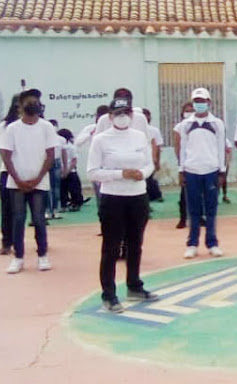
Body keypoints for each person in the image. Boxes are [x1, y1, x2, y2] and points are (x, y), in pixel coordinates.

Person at [87, 97, 158, 313]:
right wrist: (121, 174)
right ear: (109, 117)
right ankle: (109, 294)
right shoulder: (101, 140)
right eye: (117, 113)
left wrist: (142, 174)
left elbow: (149, 164)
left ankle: (134, 286)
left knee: (135, 244)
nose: (122, 117)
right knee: (111, 247)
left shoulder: (139, 137)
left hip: (137, 197)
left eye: (126, 112)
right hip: (113, 198)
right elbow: (92, 172)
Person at [0, 88, 57, 274]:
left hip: (39, 182)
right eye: (29, 103)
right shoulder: (12, 128)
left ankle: (42, 256)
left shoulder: (46, 127)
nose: (33, 106)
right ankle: (18, 258)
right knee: (18, 219)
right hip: (16, 183)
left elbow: (50, 155)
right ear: (21, 106)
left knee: (39, 219)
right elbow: (6, 156)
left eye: (36, 103)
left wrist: (38, 178)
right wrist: (17, 179)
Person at [178, 88, 226, 259]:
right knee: (194, 210)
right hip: (191, 171)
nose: (199, 104)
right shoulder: (186, 124)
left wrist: (222, 171)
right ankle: (192, 244)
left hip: (211, 170)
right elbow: (183, 148)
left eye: (202, 101)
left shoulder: (217, 124)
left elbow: (221, 148)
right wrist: (181, 170)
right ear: (192, 103)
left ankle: (212, 243)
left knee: (211, 209)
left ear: (209, 102)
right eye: (196, 101)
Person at [0, 94, 20, 255]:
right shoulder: (5, 126)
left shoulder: (38, 124)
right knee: (7, 209)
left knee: (32, 210)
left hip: (30, 172)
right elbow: (1, 149)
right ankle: (7, 242)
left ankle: (39, 243)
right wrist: (11, 167)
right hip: (8, 172)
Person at [75, 105, 109, 210]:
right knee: (99, 191)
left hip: (110, 163)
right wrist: (90, 134)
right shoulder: (91, 128)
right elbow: (78, 142)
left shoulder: (112, 128)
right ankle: (102, 211)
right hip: (96, 164)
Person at [57, 129, 86, 211]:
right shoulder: (60, 147)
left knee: (74, 189)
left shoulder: (72, 147)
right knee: (62, 189)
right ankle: (64, 204)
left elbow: (74, 161)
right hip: (62, 171)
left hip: (70, 171)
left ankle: (76, 204)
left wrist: (67, 171)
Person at [142, 108, 164, 203]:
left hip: (150, 159)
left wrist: (157, 161)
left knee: (149, 179)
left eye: (148, 115)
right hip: (139, 161)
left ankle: (155, 195)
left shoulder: (154, 131)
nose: (147, 118)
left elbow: (157, 146)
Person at [47, 119, 67, 219]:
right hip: (46, 162)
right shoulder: (44, 138)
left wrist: (65, 166)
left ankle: (55, 210)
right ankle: (48, 211)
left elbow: (64, 153)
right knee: (47, 188)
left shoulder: (61, 139)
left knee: (56, 188)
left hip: (56, 162)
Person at [222, 138, 233, 204]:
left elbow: (229, 151)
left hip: (224, 164)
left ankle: (224, 196)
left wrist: (227, 163)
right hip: (213, 164)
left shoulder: (226, 141)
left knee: (224, 180)